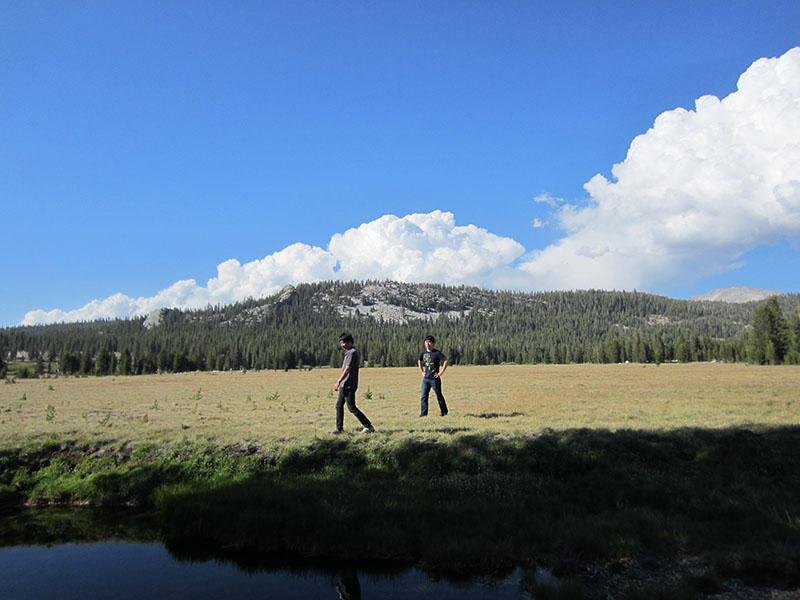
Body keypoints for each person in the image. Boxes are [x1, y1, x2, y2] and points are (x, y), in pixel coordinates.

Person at [329, 332, 375, 434]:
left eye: (343, 343)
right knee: (339, 406)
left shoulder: (352, 353)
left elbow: (347, 369)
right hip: (345, 384)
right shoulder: (350, 352)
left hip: (348, 384)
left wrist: (338, 381)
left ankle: (368, 426)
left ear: (350, 342)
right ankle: (339, 428)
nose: (342, 345)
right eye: (341, 343)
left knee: (352, 407)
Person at [418, 335, 448, 416]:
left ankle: (444, 412)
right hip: (426, 379)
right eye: (426, 342)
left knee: (439, 395)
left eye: (430, 342)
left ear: (433, 343)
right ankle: (423, 414)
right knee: (423, 396)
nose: (428, 344)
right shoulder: (423, 352)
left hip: (434, 379)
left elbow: (445, 360)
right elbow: (419, 360)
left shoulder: (437, 353)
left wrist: (441, 372)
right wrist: (422, 371)